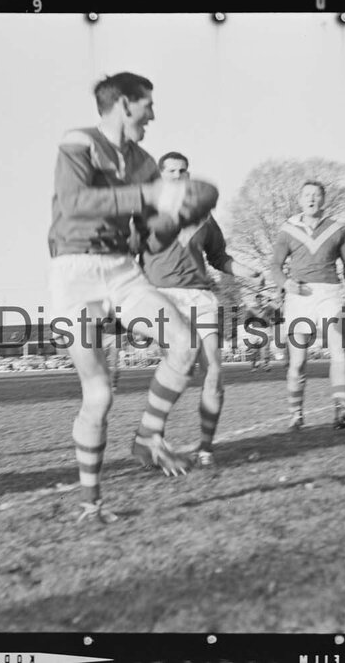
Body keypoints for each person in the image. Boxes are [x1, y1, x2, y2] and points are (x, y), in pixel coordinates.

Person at [48, 72, 216, 523]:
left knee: (184, 343)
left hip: (121, 269)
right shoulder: (79, 142)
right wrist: (150, 194)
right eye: (147, 105)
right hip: (74, 272)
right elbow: (74, 202)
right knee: (99, 393)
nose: (153, 115)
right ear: (124, 104)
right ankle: (92, 503)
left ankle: (147, 438)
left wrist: (176, 218)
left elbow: (149, 238)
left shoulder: (144, 162)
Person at [139, 151, 263, 467]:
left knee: (214, 372)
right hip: (163, 297)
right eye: (171, 171)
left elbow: (219, 257)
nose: (177, 175)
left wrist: (248, 271)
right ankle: (153, 440)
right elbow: (127, 257)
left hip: (200, 297)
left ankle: (206, 448)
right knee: (178, 370)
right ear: (160, 176)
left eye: (183, 171)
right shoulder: (144, 213)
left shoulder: (204, 216)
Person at [271, 181, 345, 431]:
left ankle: (342, 406)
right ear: (300, 200)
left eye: (316, 195)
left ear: (323, 200)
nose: (311, 199)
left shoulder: (337, 229)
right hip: (299, 296)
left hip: (330, 293)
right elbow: (275, 266)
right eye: (307, 195)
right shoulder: (287, 230)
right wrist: (285, 283)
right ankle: (296, 414)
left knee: (338, 351)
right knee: (298, 361)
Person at [246, 292, 279, 371]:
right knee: (254, 350)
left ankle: (266, 365)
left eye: (261, 299)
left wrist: (271, 301)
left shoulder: (269, 308)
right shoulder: (252, 309)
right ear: (255, 300)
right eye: (258, 299)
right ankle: (254, 365)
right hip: (255, 330)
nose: (260, 300)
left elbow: (276, 312)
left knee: (265, 349)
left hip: (266, 329)